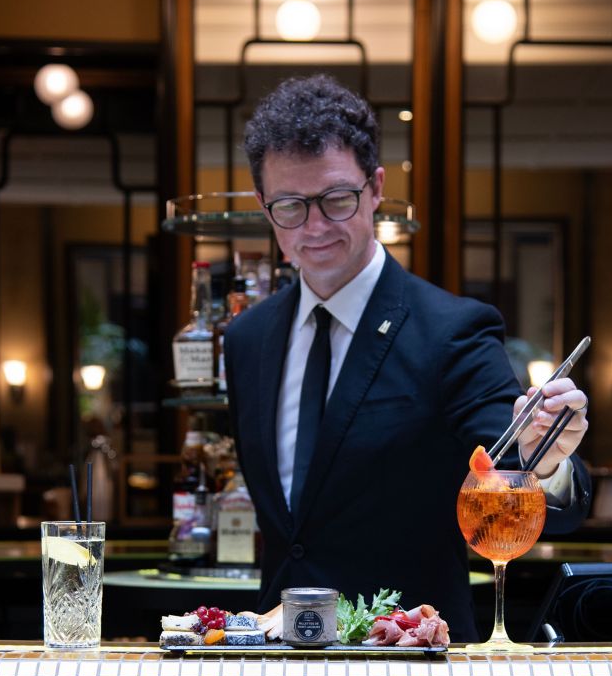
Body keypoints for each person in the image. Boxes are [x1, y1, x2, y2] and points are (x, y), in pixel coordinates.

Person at [223, 74, 591, 641]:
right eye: (290, 206)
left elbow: (512, 465)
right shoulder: (246, 339)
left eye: (336, 200)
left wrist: (546, 459)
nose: (315, 227)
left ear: (375, 188)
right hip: (282, 663)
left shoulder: (452, 331)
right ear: (263, 207)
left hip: (411, 668)